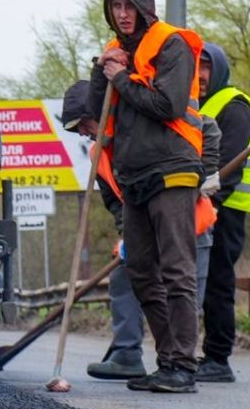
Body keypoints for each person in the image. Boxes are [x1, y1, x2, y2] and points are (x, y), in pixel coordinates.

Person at [76, 0, 207, 393]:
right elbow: (101, 109)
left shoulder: (173, 44)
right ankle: (166, 361)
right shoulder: (116, 52)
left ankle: (184, 366)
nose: (122, 14)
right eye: (115, 7)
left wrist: (121, 78)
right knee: (141, 271)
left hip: (172, 169)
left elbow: (166, 105)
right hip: (133, 177)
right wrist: (103, 73)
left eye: (128, 6)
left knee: (176, 271)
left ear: (145, 7)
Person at [64, 80, 221, 381]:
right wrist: (127, 232)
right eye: (76, 129)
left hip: (189, 221)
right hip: (143, 226)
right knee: (126, 276)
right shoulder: (100, 154)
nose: (82, 132)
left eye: (83, 123)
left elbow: (208, 128)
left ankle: (181, 364)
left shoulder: (141, 123)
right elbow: (114, 201)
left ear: (99, 110)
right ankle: (128, 354)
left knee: (183, 290)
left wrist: (207, 172)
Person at [196, 42, 250, 383]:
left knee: (218, 281)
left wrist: (206, 204)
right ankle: (204, 353)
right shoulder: (195, 106)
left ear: (218, 70)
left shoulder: (233, 105)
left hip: (225, 209)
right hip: (202, 206)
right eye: (196, 69)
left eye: (206, 69)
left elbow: (230, 167)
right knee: (201, 282)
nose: (201, 76)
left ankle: (218, 357)